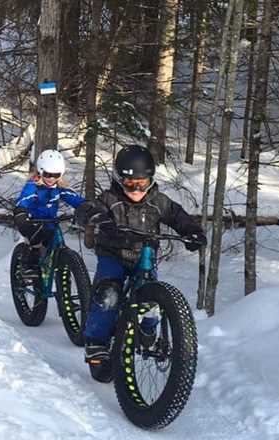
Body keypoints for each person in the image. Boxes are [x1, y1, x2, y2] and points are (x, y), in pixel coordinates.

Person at [75, 144, 207, 383]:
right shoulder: (110, 199)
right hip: (113, 255)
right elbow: (87, 209)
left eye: (142, 184)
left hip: (144, 257)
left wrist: (192, 232)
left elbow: (178, 216)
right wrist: (100, 220)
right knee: (108, 295)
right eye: (130, 184)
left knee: (152, 300)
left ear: (151, 180)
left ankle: (147, 330)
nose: (136, 190)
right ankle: (96, 343)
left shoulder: (158, 201)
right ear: (119, 180)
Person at [14, 149, 84, 272]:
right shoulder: (33, 186)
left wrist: (86, 206)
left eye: (56, 175)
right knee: (36, 243)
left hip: (50, 224)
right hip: (33, 223)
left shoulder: (59, 187)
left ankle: (61, 273)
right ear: (40, 171)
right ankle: (30, 269)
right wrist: (20, 212)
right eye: (47, 174)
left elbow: (73, 197)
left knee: (56, 248)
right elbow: (24, 199)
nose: (51, 178)